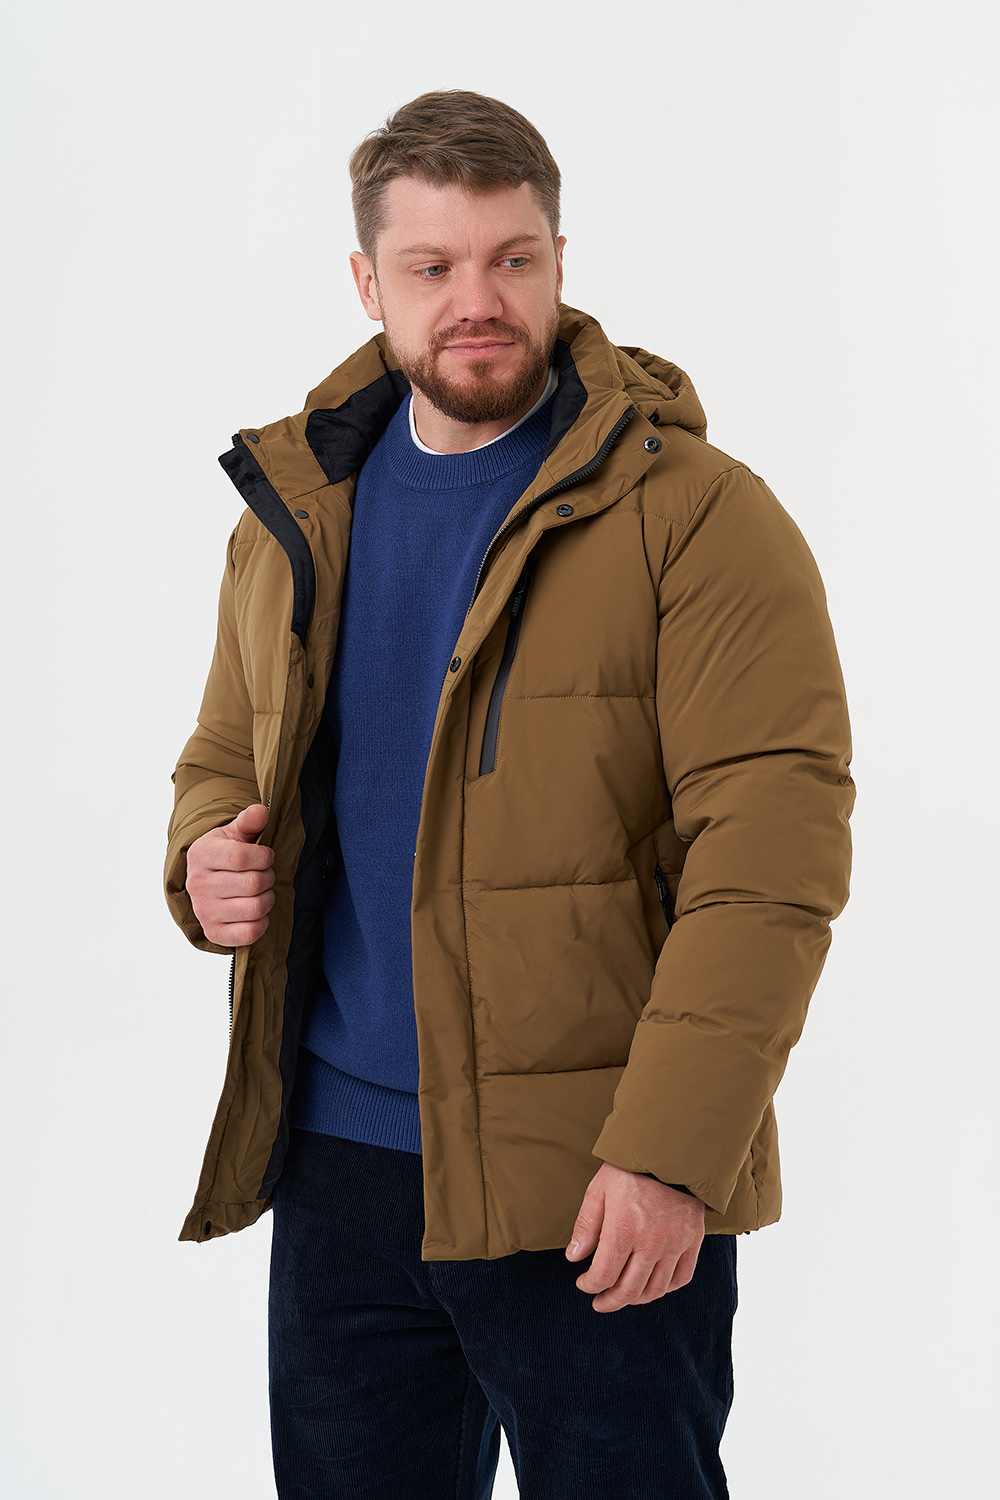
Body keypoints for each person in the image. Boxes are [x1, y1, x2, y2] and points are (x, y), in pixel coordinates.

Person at [165, 90, 854, 1499]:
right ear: (368, 281)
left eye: (512, 259)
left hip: (593, 1181)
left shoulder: (695, 514)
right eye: (432, 266)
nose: (477, 301)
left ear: (557, 259)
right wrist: (199, 860)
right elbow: (225, 755)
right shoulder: (300, 512)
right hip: (342, 1169)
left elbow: (769, 861)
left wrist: (672, 1156)